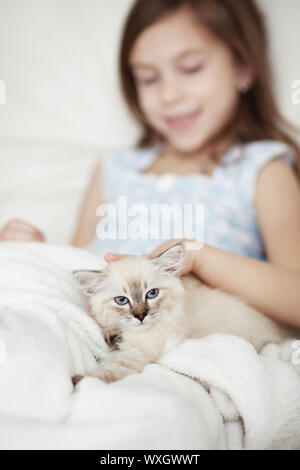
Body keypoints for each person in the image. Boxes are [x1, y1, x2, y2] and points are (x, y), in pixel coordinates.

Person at [1, 0, 300, 328]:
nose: (169, 95)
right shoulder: (115, 169)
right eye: (148, 78)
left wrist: (200, 256)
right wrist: (35, 255)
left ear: (243, 67)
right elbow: (80, 273)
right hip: (94, 331)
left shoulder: (262, 170)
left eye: (190, 68)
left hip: (186, 333)